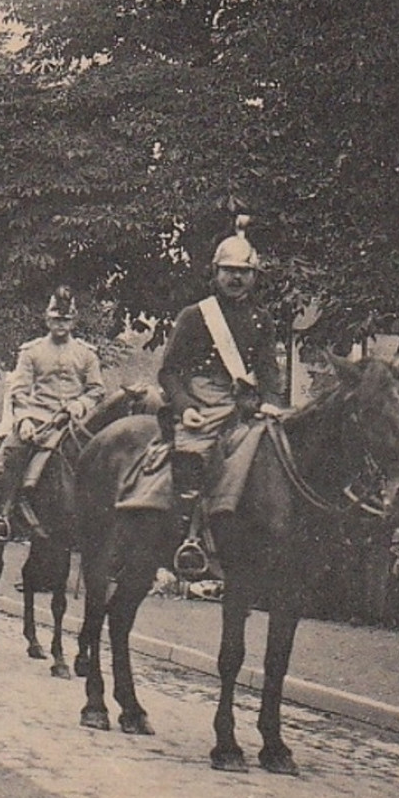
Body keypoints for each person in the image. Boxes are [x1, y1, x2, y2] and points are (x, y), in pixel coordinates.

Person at [157, 216, 285, 579]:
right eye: (228, 270)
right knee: (195, 459)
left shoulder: (262, 319)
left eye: (243, 272)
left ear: (254, 276)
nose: (235, 278)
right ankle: (189, 539)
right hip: (201, 401)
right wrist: (184, 409)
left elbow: (269, 369)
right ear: (215, 273)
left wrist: (272, 399)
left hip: (244, 403)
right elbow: (169, 372)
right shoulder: (195, 316)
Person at [0, 287, 106, 542]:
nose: (60, 324)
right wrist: (24, 419)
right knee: (10, 455)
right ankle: (2, 514)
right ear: (47, 319)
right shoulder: (31, 351)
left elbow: (96, 390)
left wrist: (79, 405)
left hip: (75, 421)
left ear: (73, 320)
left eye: (66, 319)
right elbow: (19, 390)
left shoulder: (86, 353)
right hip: (39, 419)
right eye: (56, 319)